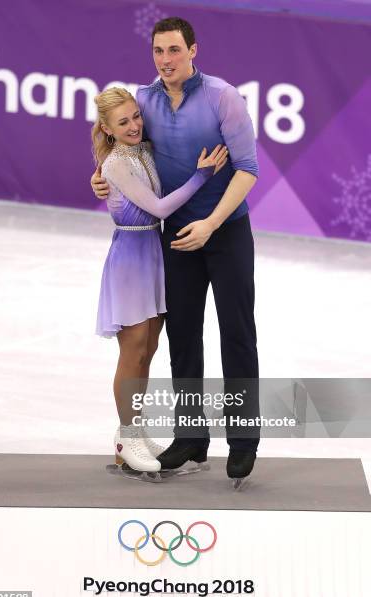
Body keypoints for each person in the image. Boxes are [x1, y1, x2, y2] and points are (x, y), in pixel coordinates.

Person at [91, 16, 260, 483]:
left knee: (237, 334)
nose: (165, 60)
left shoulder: (224, 97)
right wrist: (100, 178)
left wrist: (211, 222)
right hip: (176, 237)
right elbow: (121, 147)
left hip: (225, 231)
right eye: (158, 52)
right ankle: (191, 437)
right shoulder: (143, 100)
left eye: (174, 51)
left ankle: (244, 440)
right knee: (183, 338)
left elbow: (247, 169)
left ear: (193, 50)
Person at [92, 86, 228, 474]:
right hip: (130, 258)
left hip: (154, 253)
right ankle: (126, 434)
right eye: (124, 122)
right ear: (108, 128)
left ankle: (132, 434)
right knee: (132, 349)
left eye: (136, 116)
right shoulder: (117, 162)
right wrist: (202, 176)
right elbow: (160, 206)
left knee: (148, 347)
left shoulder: (142, 151)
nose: (135, 125)